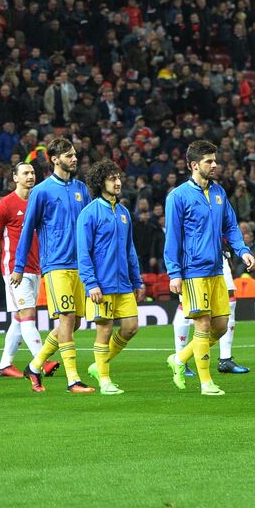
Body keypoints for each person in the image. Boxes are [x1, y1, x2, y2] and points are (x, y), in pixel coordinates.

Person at [164, 140, 255, 395]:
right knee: (203, 325)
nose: (215, 165)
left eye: (215, 160)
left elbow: (230, 225)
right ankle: (206, 382)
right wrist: (174, 273)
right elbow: (172, 237)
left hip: (217, 268)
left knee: (220, 325)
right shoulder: (178, 196)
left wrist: (243, 251)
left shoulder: (219, 192)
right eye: (209, 161)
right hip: (192, 270)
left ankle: (180, 358)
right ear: (194, 165)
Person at [13, 136, 92, 393]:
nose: (74, 158)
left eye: (74, 154)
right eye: (69, 155)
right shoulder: (42, 191)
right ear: (55, 159)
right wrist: (19, 266)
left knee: (76, 321)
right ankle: (73, 380)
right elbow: (27, 231)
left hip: (81, 265)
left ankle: (34, 366)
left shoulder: (82, 188)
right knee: (67, 318)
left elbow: (90, 228)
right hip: (56, 264)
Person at [76, 160, 143, 394]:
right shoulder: (89, 213)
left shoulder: (124, 212)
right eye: (112, 178)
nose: (117, 182)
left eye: (118, 178)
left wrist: (137, 280)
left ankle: (98, 365)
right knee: (104, 330)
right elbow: (83, 253)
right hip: (101, 285)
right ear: (100, 182)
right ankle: (104, 380)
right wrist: (90, 283)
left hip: (124, 283)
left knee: (131, 327)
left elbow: (129, 249)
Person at [0, 162, 53, 377]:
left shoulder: (39, 201)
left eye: (32, 172)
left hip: (36, 267)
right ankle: (42, 362)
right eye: (25, 173)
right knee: (28, 314)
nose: (30, 176)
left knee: (19, 319)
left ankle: (5, 365)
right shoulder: (6, 204)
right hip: (14, 270)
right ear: (15, 178)